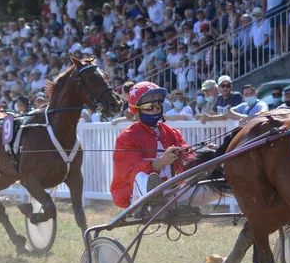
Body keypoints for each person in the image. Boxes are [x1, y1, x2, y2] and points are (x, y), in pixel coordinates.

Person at [110, 81, 223, 212]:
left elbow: (189, 161)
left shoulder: (172, 133)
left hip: (173, 193)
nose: (155, 109)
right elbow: (132, 173)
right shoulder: (127, 137)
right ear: (137, 109)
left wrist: (206, 154)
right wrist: (161, 162)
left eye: (158, 104)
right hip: (137, 196)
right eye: (149, 106)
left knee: (223, 183)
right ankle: (153, 203)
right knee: (141, 177)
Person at [201, 84, 268, 124]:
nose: (249, 95)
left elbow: (263, 113)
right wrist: (241, 116)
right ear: (243, 97)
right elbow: (227, 112)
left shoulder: (261, 104)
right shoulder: (244, 105)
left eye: (251, 93)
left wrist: (247, 119)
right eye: (247, 94)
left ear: (255, 94)